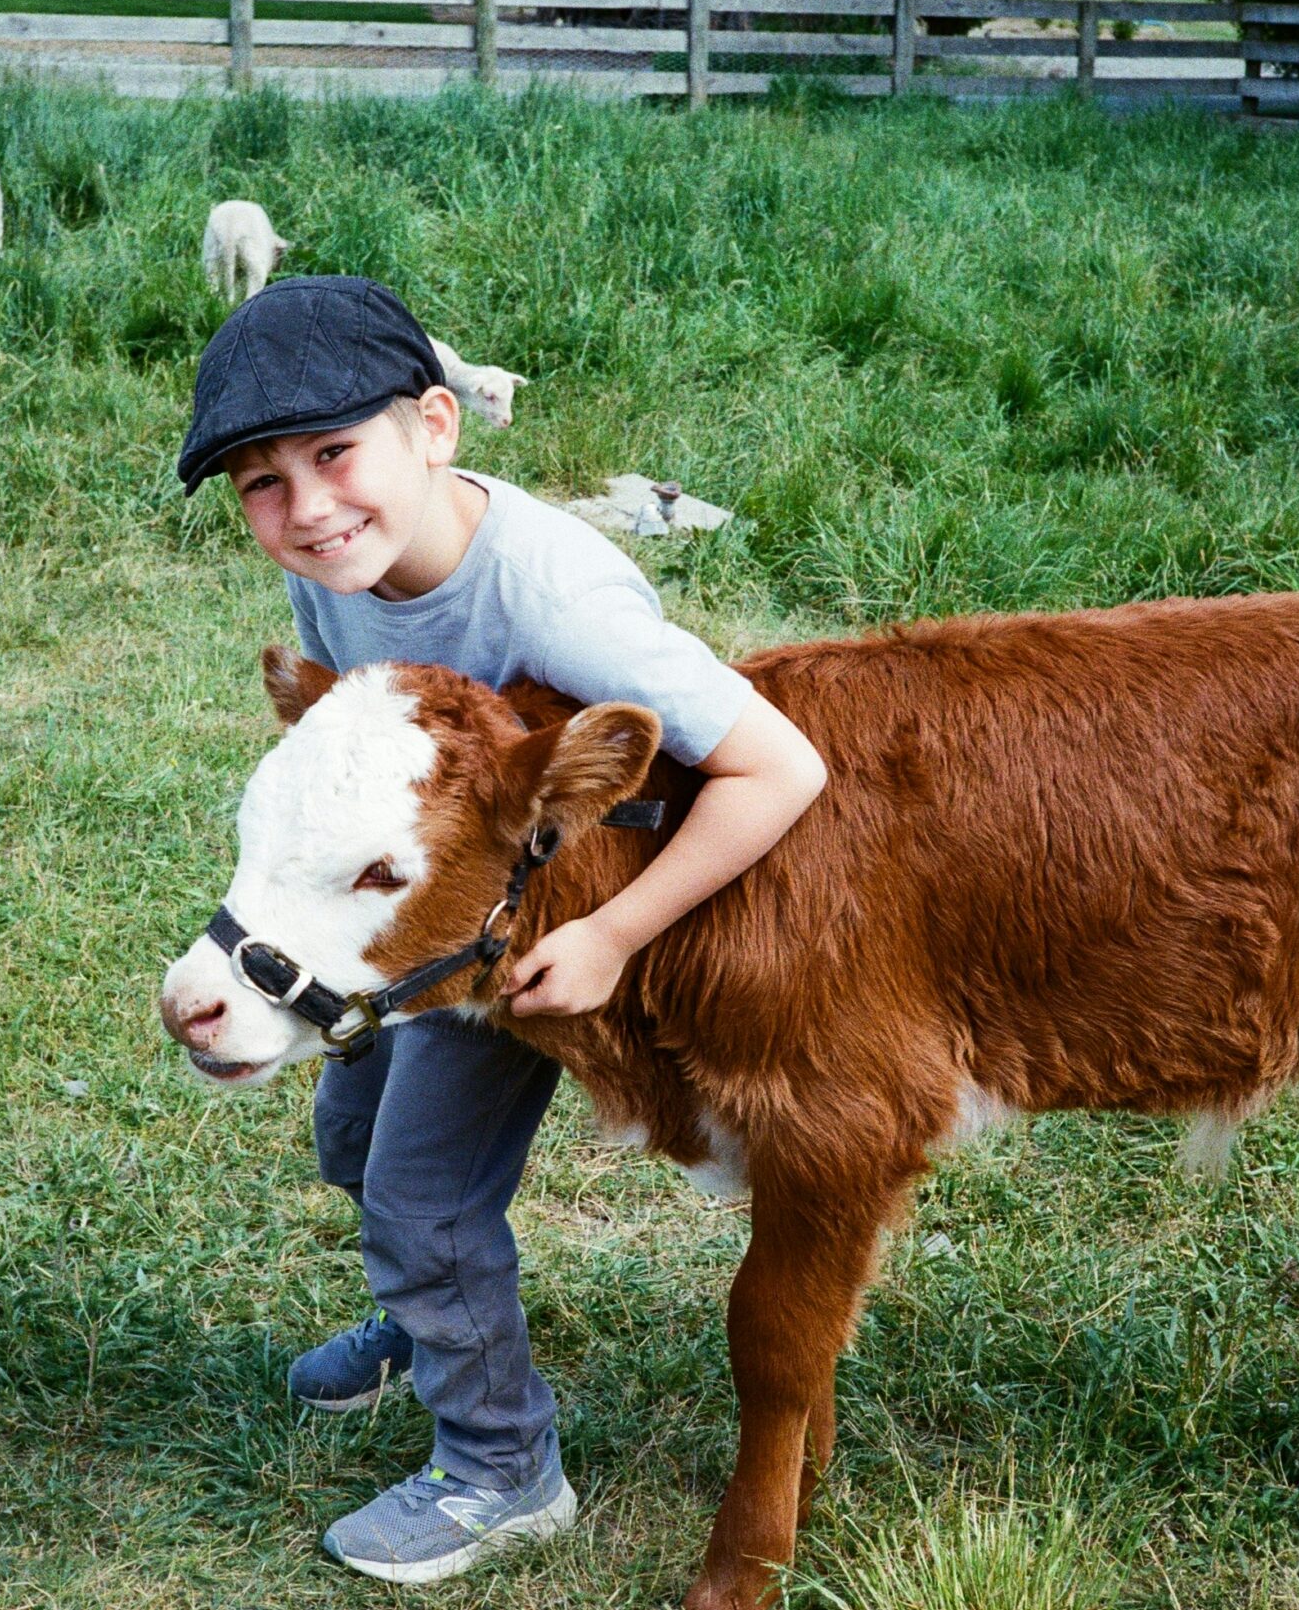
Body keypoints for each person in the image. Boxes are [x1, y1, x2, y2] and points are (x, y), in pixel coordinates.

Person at [175, 277, 828, 1584]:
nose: (306, 507)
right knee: (353, 1132)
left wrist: (616, 938)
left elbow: (782, 769)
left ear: (436, 425)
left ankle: (498, 1466)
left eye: (334, 453)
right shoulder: (337, 570)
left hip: (559, 922)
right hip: (433, 904)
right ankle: (423, 1321)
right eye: (261, 481)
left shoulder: (553, 599)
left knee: (423, 1188)